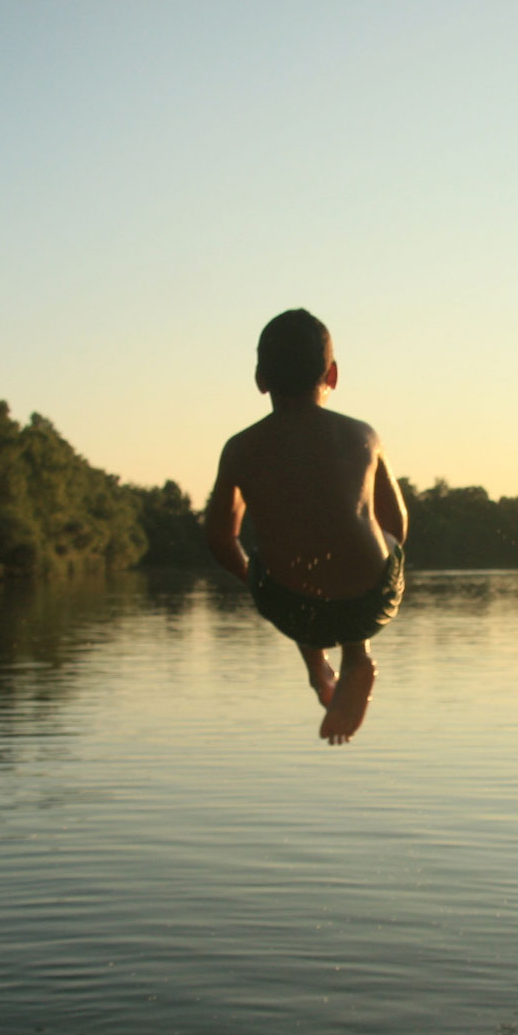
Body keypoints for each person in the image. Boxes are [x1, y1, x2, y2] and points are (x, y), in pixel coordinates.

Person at [205, 309, 407, 745]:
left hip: (290, 605)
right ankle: (358, 655)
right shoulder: (363, 436)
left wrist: (252, 578)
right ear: (332, 375)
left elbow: (220, 537)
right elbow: (398, 523)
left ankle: (317, 668)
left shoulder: (240, 449)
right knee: (375, 542)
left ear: (260, 379)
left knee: (283, 566)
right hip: (369, 598)